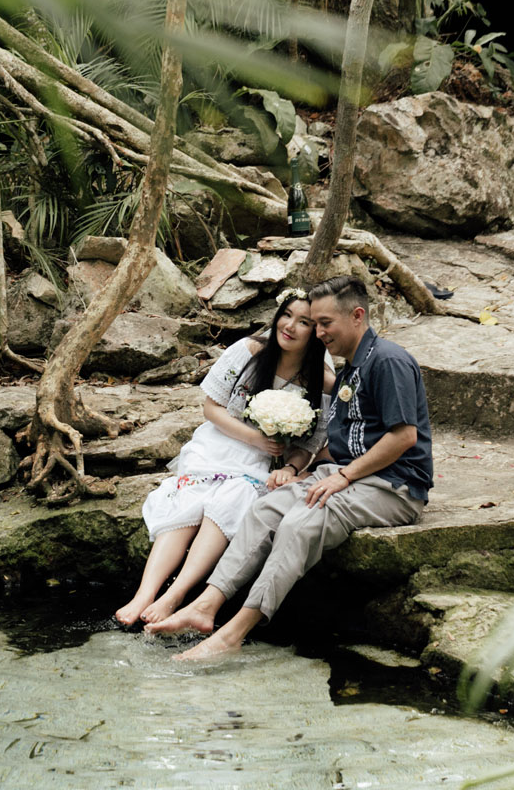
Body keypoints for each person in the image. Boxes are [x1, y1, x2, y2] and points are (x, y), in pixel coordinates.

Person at [145, 276, 433, 659]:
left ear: (357, 315)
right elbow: (339, 443)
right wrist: (298, 471)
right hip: (349, 476)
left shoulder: (388, 360)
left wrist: (343, 476)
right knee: (267, 507)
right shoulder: (349, 370)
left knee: (302, 522)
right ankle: (204, 606)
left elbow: (403, 437)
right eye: (315, 323)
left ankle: (233, 633)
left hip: (393, 486)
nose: (318, 332)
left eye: (324, 323)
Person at [114, 288, 335, 627]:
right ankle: (145, 593)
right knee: (187, 500)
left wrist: (290, 468)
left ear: (316, 332)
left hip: (262, 464)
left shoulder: (321, 380)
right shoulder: (248, 351)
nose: (290, 326)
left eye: (303, 322)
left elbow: (312, 443)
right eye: (286, 315)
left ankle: (175, 596)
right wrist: (255, 437)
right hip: (220, 444)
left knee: (234, 499)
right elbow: (210, 407)